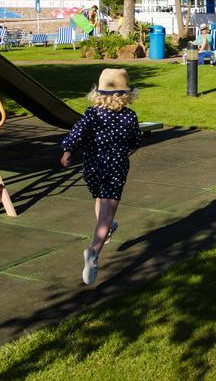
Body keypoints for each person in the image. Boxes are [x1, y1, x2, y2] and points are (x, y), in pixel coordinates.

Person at [60, 68, 143, 285]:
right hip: (115, 167)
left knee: (100, 201)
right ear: (127, 94)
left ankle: (107, 229)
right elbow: (135, 140)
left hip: (92, 167)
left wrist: (68, 151)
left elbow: (77, 133)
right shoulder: (129, 116)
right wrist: (127, 147)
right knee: (106, 212)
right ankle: (94, 251)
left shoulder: (91, 114)